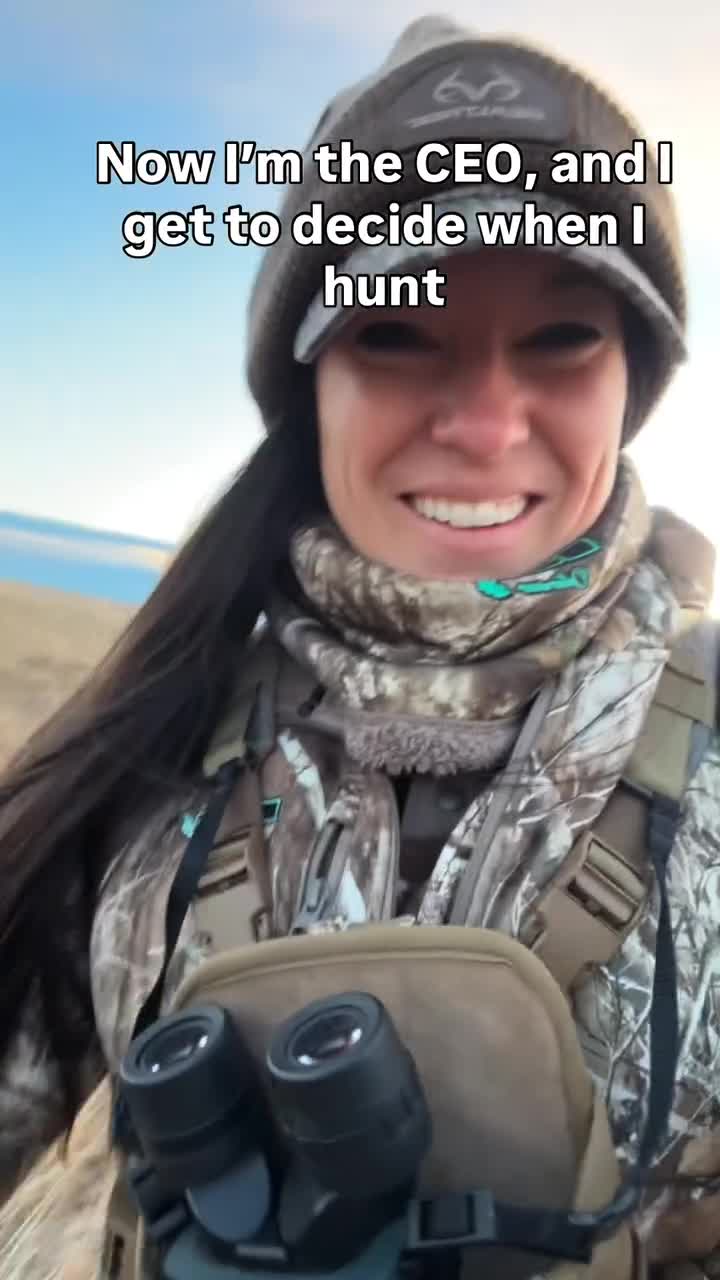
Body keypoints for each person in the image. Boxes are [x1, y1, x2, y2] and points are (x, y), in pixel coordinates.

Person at [0, 13, 718, 1280]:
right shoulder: (147, 752)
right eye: (396, 331)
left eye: (562, 337)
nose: (486, 424)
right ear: (309, 387)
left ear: (633, 380)